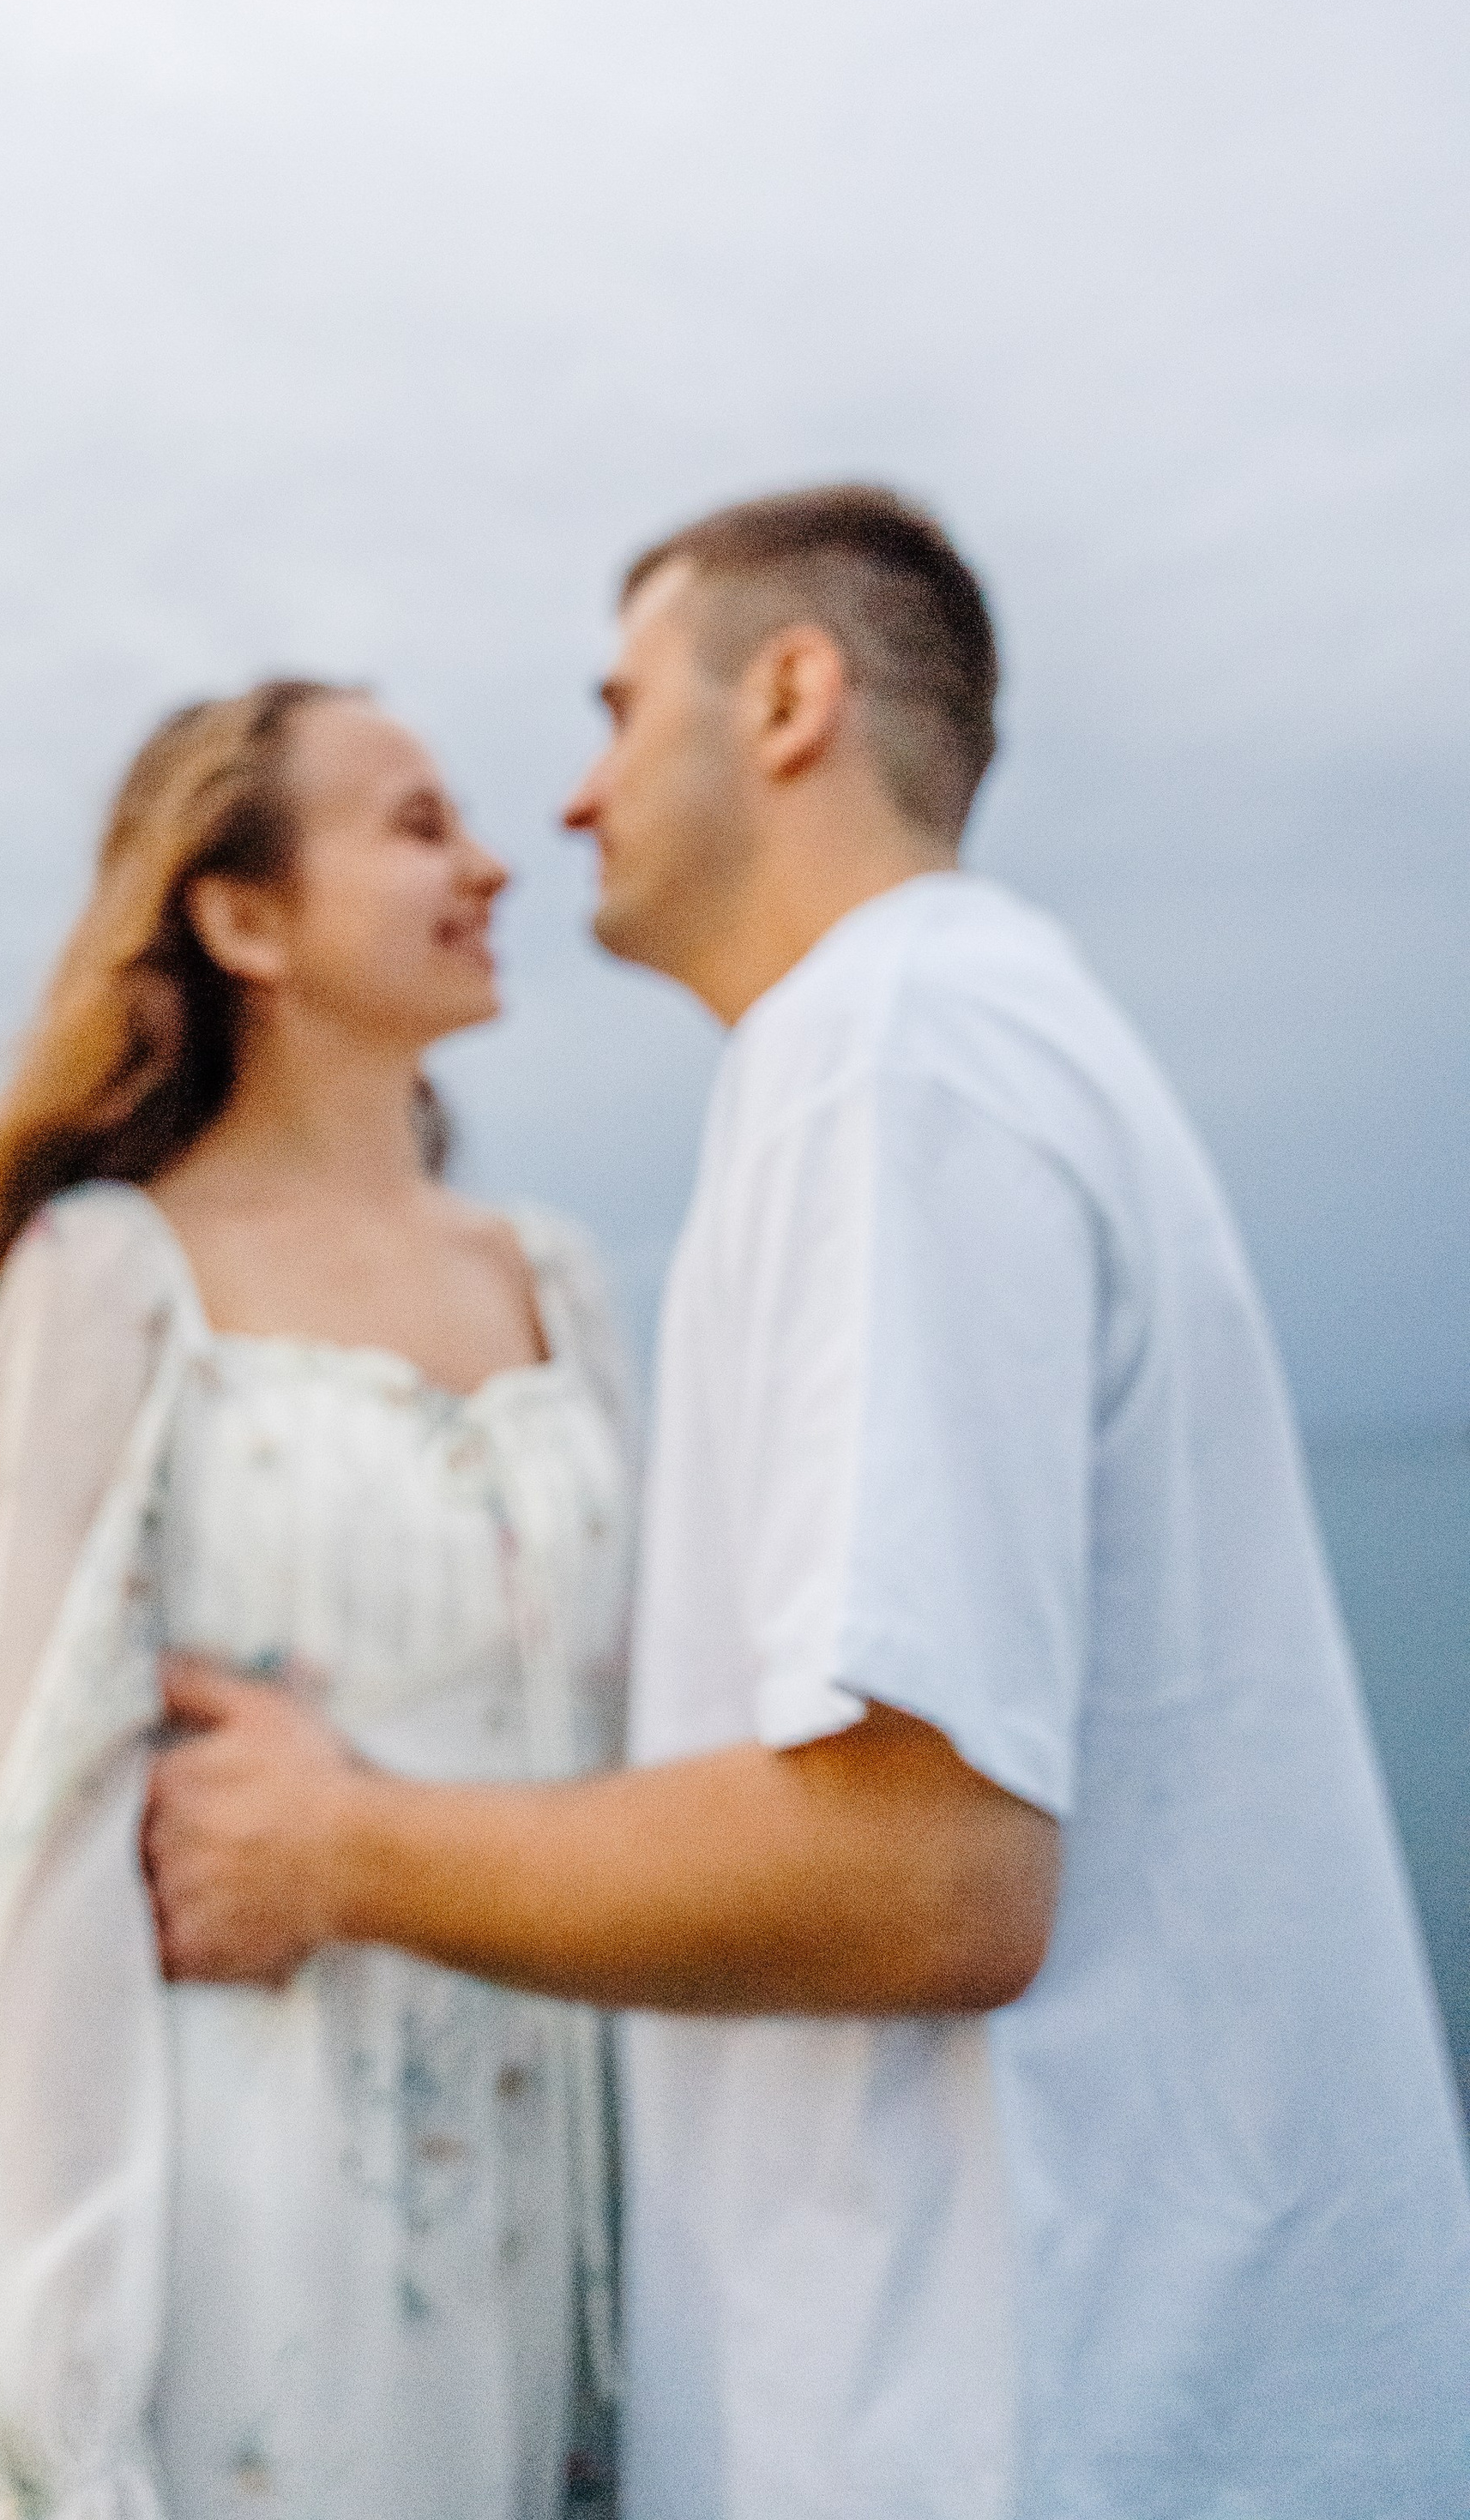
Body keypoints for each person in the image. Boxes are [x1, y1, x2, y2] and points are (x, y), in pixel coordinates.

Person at [142, 486, 1470, 2520]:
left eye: (613, 706)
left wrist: (335, 1844)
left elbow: (921, 1866)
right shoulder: (960, 1035)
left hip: (1022, 2417)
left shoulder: (892, 1053)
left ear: (785, 697)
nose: (567, 801)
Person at [0, 678, 636, 2520]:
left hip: (581, 2204)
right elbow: (31, 1858)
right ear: (241, 917)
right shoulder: (104, 1280)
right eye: (412, 821)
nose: (486, 862)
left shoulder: (560, 1273)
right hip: (254, 2223)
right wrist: (60, 2398)